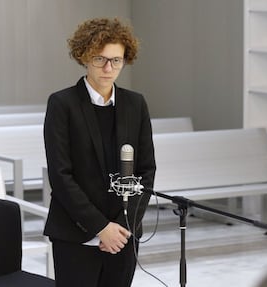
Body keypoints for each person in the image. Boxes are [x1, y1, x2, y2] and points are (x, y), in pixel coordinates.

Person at [43, 18, 156, 287]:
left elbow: (146, 172)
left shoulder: (135, 104)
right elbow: (61, 176)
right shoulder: (62, 103)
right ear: (83, 56)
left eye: (116, 60)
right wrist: (101, 228)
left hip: (123, 235)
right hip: (75, 233)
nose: (109, 68)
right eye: (100, 59)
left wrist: (122, 228)